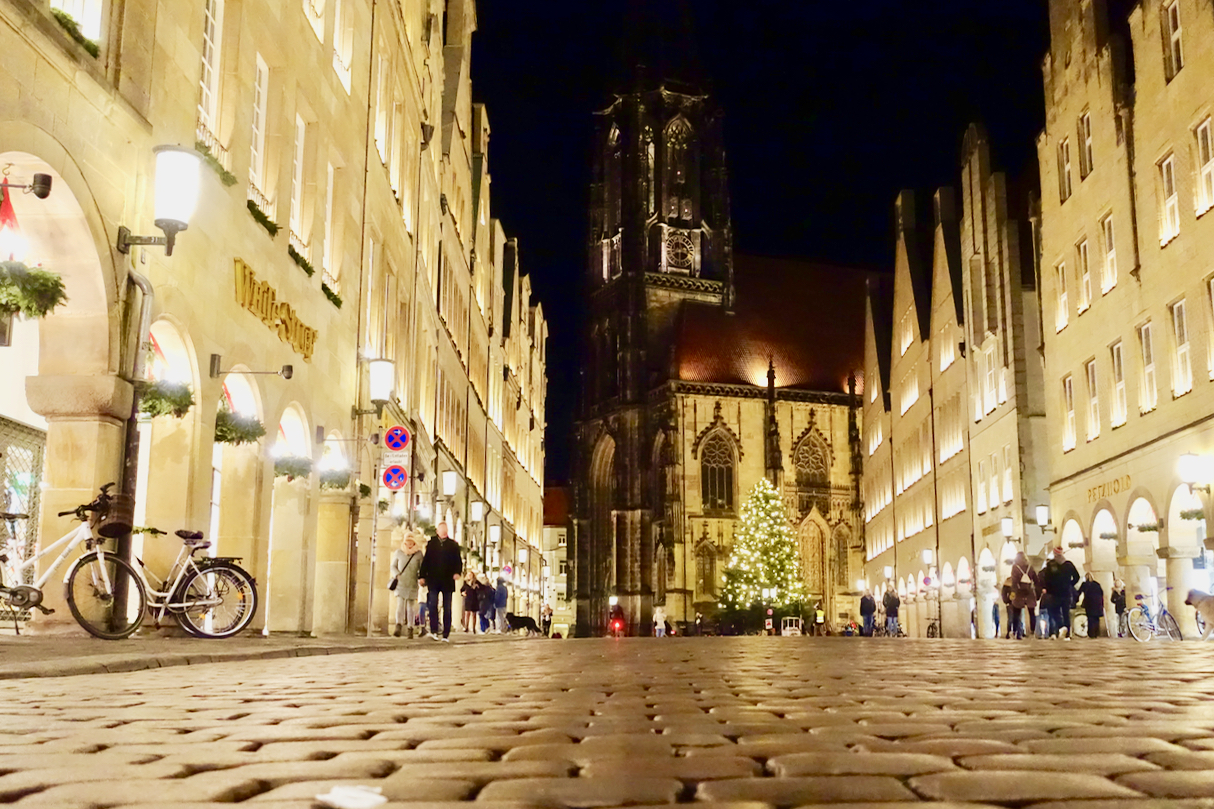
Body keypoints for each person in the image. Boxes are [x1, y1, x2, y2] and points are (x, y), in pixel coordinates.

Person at [418, 521, 462, 642]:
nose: (443, 532)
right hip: (433, 579)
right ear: (437, 531)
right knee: (432, 605)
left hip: (447, 580)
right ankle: (434, 630)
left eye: (444, 530)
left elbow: (458, 561)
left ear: (447, 532)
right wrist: (422, 576)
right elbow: (426, 561)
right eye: (441, 530)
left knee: (447, 607)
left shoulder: (453, 545)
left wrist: (457, 572)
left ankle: (446, 634)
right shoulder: (432, 544)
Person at [1040, 548, 1081, 639]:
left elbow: (1046, 578)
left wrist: (1049, 588)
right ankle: (1067, 634)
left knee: (1054, 612)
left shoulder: (1051, 565)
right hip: (1066, 593)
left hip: (1054, 593)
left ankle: (1061, 626)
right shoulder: (1068, 565)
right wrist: (1069, 584)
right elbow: (1076, 577)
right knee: (1066, 613)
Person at [390, 532, 423, 638]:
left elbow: (421, 568)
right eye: (407, 541)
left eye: (411, 541)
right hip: (401, 583)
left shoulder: (418, 554)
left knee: (411, 607)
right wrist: (397, 574)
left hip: (412, 583)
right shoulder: (399, 552)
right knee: (400, 605)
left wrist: (421, 577)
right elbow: (393, 566)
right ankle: (398, 626)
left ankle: (410, 628)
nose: (409, 543)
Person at [1010, 551, 1040, 639]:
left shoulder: (1015, 567)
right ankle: (1032, 632)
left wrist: (1013, 592)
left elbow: (1014, 581)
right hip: (1029, 591)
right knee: (1031, 612)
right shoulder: (1030, 567)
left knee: (1016, 612)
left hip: (1019, 592)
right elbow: (1036, 580)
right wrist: (1037, 593)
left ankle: (1016, 631)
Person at [1077, 572, 1104, 639]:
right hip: (1098, 603)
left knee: (1090, 618)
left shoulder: (1085, 584)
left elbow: (1079, 592)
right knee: (1096, 619)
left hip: (1089, 603)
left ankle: (1091, 633)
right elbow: (1102, 593)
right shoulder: (1097, 584)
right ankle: (1096, 633)